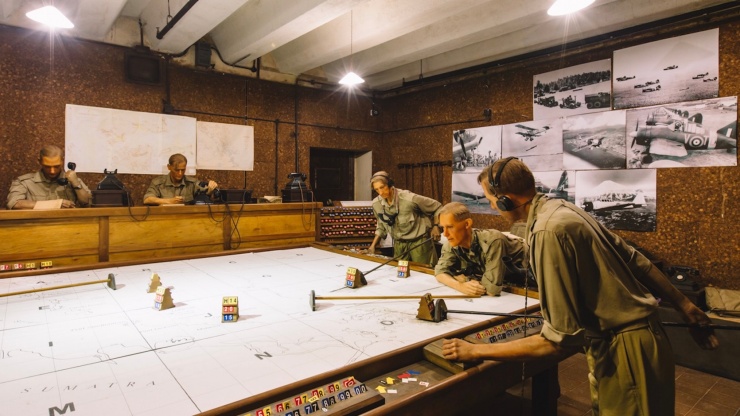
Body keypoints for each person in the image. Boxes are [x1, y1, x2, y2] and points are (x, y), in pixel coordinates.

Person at [442, 157, 719, 415]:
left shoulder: (547, 230)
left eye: (492, 200)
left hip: (626, 351)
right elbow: (636, 260)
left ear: (505, 200)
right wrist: (685, 305)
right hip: (637, 341)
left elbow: (558, 341)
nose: (492, 207)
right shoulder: (563, 209)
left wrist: (475, 350)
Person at [434, 202, 526, 297]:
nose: (445, 234)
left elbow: (491, 289)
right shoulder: (452, 242)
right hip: (506, 284)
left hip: (528, 278)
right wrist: (460, 286)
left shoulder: (493, 240)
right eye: (443, 228)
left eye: (450, 227)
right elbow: (439, 272)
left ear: (467, 224)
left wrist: (466, 280)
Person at [366, 171, 441, 266]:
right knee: (401, 274)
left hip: (419, 243)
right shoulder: (376, 204)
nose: (380, 192)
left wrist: (436, 226)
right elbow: (381, 225)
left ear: (390, 184)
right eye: (376, 189)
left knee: (424, 273)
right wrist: (373, 246)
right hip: (399, 245)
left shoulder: (409, 199)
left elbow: (438, 207)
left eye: (382, 187)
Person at [6, 145, 91, 209]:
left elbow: (88, 203)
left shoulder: (72, 181)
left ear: (62, 161)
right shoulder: (24, 182)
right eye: (47, 166)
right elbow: (14, 203)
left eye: (56, 166)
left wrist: (76, 184)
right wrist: (56, 204)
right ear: (40, 162)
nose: (52, 171)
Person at [143, 153, 219, 205]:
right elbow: (147, 199)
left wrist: (210, 190)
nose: (180, 173)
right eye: (176, 170)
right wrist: (169, 201)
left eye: (183, 170)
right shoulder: (158, 183)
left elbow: (203, 196)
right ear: (169, 167)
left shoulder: (191, 183)